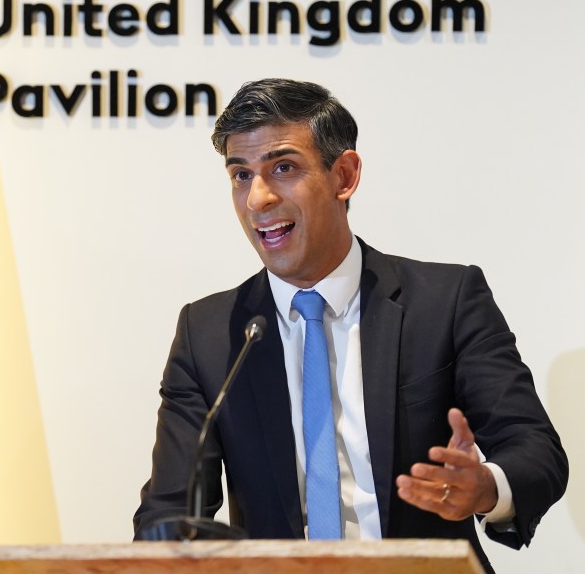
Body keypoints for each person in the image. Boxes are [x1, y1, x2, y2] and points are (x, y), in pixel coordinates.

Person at [133, 78, 567, 573]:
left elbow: (536, 451)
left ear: (344, 175)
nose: (257, 199)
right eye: (240, 174)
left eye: (283, 168)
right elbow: (168, 512)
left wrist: (486, 487)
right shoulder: (210, 333)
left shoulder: (445, 301)